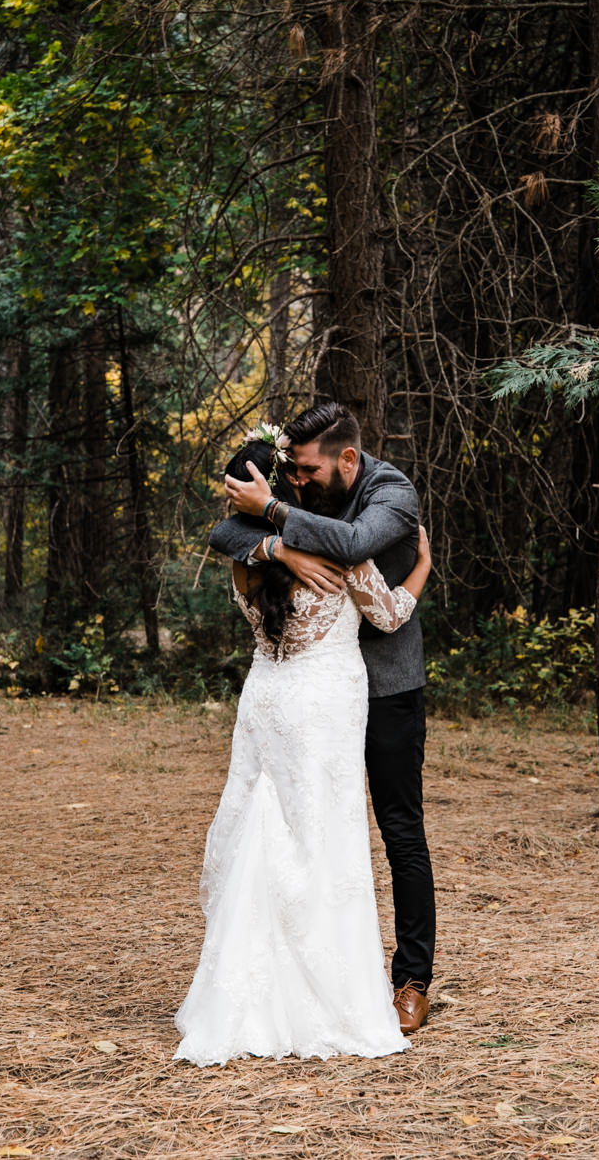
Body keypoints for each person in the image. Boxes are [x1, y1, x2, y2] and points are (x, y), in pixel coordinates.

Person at [174, 434, 434, 1065]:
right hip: (321, 707)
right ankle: (328, 992)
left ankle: (254, 989)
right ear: (281, 489)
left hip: (267, 698)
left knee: (266, 830)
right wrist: (424, 563)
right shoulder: (321, 548)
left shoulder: (248, 566)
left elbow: (227, 539)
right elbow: (391, 615)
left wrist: (272, 545)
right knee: (323, 839)